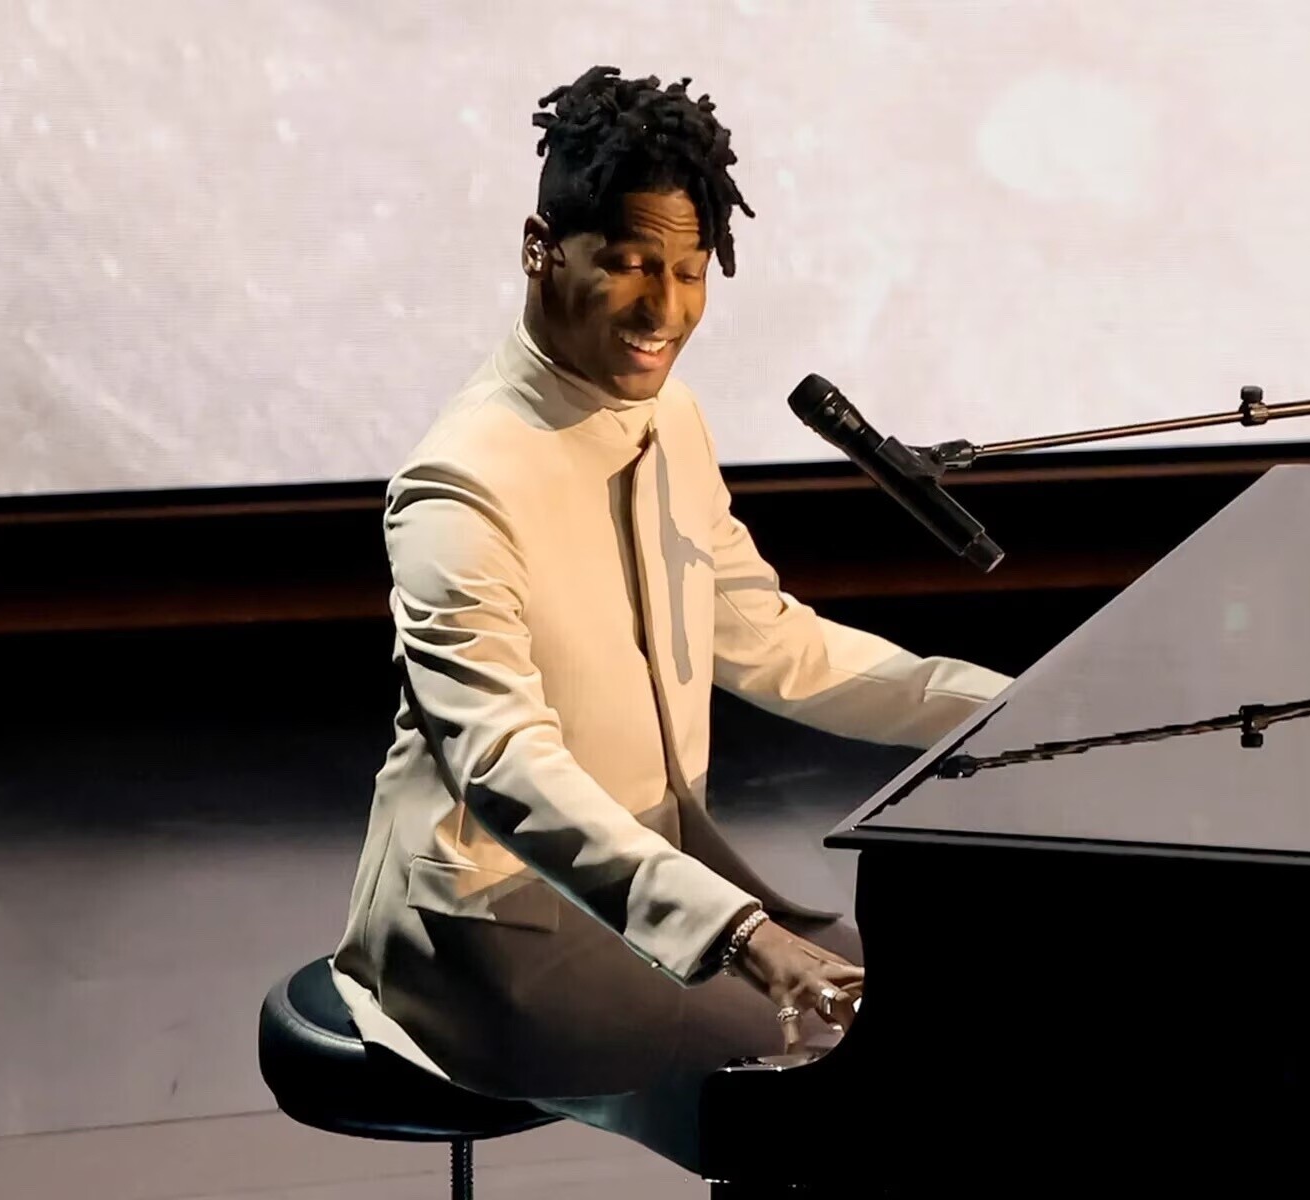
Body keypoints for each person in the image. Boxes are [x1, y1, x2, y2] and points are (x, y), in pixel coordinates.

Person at [328, 65, 1012, 1173]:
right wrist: (743, 938)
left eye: (691, 272)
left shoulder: (669, 420)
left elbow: (773, 640)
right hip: (493, 936)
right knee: (866, 1085)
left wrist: (1014, 712)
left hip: (653, 891)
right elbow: (504, 767)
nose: (666, 310)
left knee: (949, 1032)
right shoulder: (460, 483)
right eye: (632, 264)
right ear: (542, 248)